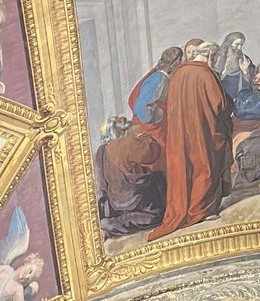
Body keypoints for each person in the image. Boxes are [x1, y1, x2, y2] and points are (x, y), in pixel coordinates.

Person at [98, 45, 180, 232]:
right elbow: (142, 109)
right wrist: (157, 116)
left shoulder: (110, 147)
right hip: (153, 131)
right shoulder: (158, 78)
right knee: (161, 167)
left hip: (122, 195)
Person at [155, 39, 234, 233]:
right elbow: (220, 105)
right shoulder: (206, 74)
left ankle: (186, 210)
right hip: (202, 132)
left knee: (185, 168)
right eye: (215, 57)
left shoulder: (179, 74)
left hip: (181, 133)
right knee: (204, 167)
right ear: (211, 55)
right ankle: (200, 211)